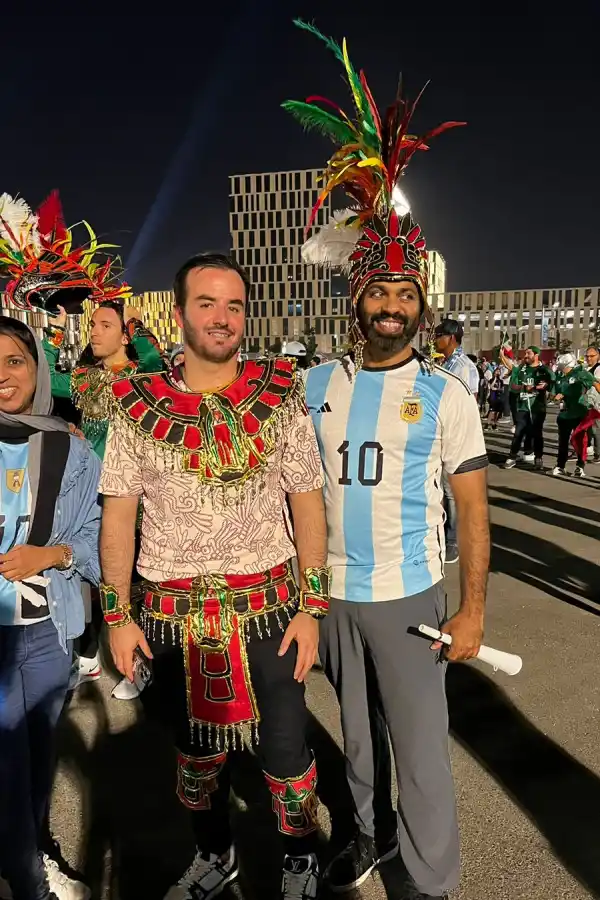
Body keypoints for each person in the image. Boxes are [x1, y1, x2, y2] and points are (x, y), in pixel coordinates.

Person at [285, 23, 489, 900]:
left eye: (407, 294)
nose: (394, 306)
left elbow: (474, 512)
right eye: (380, 292)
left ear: (420, 303)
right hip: (333, 591)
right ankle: (365, 838)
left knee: (419, 747)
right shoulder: (313, 383)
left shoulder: (450, 393)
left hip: (410, 595)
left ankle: (431, 881)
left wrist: (474, 605)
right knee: (358, 742)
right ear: (358, 298)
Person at [99, 252, 329, 900]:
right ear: (178, 315)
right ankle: (214, 854)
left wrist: (312, 606)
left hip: (271, 610)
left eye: (233, 305)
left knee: (286, 753)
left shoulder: (281, 393)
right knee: (197, 757)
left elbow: (307, 499)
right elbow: (118, 517)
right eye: (207, 303)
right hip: (173, 620)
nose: (221, 318)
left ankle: (300, 858)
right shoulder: (134, 404)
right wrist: (117, 616)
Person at [0, 317, 101, 900]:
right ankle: (29, 882)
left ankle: (31, 848)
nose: (5, 376)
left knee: (39, 760)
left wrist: (52, 553)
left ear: (38, 368)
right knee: (7, 766)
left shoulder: (68, 445)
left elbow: (93, 536)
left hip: (49, 630)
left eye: (16, 360)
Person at [433, 321, 479, 564]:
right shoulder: (447, 363)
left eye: (438, 335)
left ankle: (453, 540)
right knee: (442, 488)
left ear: (451, 337)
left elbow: (466, 404)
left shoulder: (462, 366)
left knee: (452, 492)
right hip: (442, 433)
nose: (434, 340)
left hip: (455, 436)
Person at [503, 346, 554, 470]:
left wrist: (545, 386)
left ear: (536, 355)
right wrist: (524, 388)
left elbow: (553, 383)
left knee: (537, 433)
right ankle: (512, 457)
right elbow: (514, 386)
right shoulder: (521, 369)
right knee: (518, 432)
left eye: (528, 353)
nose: (526, 356)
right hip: (522, 407)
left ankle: (538, 457)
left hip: (538, 408)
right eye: (525, 354)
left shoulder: (544, 370)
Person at [553, 353, 600, 477]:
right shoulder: (560, 376)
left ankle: (580, 466)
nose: (561, 368)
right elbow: (555, 392)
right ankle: (560, 466)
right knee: (562, 441)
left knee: (580, 441)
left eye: (563, 365)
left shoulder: (581, 373)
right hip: (564, 413)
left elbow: (596, 384)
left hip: (579, 412)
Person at [584, 345, 600, 462]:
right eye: (587, 356)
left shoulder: (598, 369)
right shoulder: (586, 368)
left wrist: (591, 380)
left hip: (597, 404)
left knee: (596, 429)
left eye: (592, 356)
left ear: (598, 356)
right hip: (587, 402)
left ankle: (598, 454)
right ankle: (587, 448)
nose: (589, 358)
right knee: (588, 428)